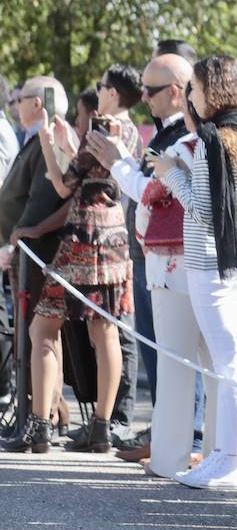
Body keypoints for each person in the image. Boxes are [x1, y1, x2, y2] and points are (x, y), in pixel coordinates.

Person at [156, 55, 237, 489]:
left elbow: (204, 210)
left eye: (197, 89)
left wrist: (171, 174)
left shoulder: (210, 140)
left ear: (213, 91)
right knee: (230, 359)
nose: (192, 97)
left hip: (210, 263)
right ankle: (229, 454)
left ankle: (230, 457)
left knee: (227, 362)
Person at [85, 54, 206, 470]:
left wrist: (116, 158)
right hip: (152, 255)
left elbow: (152, 191)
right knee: (160, 352)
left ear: (176, 92)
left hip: (172, 258)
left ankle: (188, 437)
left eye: (151, 91)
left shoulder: (182, 138)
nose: (144, 99)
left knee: (177, 354)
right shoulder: (166, 132)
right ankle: (168, 432)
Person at [22, 65, 144, 454]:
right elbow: (97, 179)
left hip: (81, 240)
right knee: (105, 332)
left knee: (42, 329)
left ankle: (39, 426)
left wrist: (46, 138)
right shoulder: (130, 133)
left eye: (101, 86)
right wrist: (70, 144)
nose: (98, 90)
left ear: (113, 93)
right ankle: (101, 427)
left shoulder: (102, 129)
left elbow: (63, 184)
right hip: (113, 240)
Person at [0, 77, 72, 451]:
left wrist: (20, 237)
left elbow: (43, 199)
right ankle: (43, 414)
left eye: (21, 97)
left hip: (36, 252)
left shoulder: (52, 138)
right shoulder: (35, 136)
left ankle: (38, 419)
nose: (14, 102)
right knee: (33, 335)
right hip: (27, 251)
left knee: (37, 335)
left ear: (39, 103)